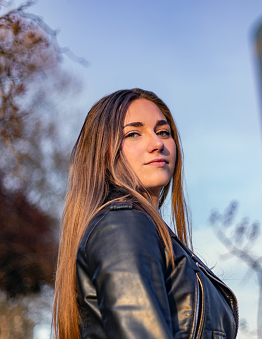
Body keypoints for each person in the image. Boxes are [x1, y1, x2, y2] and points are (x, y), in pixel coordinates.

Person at [52, 88, 238, 339]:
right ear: (102, 152)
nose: (157, 143)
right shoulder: (123, 222)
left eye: (163, 132)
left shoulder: (136, 226)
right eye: (133, 134)